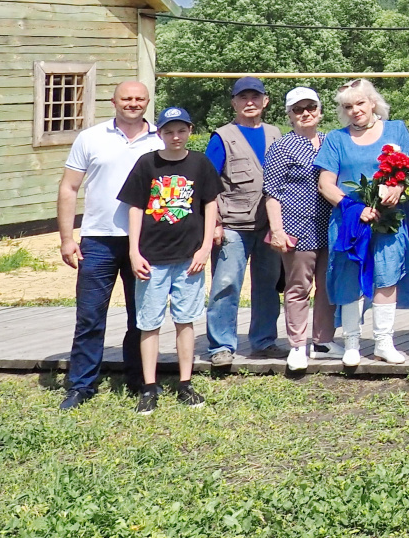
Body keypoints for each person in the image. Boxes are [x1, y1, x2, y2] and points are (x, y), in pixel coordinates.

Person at [56, 79, 161, 410]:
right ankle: (81, 384)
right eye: (126, 98)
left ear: (147, 102)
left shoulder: (160, 139)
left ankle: (138, 379)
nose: (133, 103)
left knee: (141, 314)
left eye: (139, 98)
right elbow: (69, 188)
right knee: (90, 315)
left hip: (144, 241)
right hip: (98, 239)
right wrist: (66, 238)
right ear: (113, 102)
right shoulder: (91, 138)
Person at [118, 106, 220, 413]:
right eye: (169, 131)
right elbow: (135, 208)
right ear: (159, 133)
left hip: (189, 258)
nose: (176, 136)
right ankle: (149, 387)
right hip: (152, 258)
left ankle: (185, 383)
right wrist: (134, 251)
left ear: (190, 131)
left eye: (181, 130)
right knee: (149, 323)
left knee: (184, 320)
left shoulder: (200, 163)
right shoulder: (147, 163)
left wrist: (204, 248)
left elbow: (210, 205)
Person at [316, 80, 409, 366]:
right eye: (348, 106)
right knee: (349, 277)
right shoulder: (336, 139)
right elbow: (326, 184)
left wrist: (398, 186)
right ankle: (352, 342)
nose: (355, 110)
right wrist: (354, 208)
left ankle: (383, 343)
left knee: (387, 275)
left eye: (360, 103)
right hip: (351, 221)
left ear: (373, 102)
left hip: (389, 219)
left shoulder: (396, 130)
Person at [203, 76, 282, 365]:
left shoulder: (276, 134)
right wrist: (214, 223)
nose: (250, 102)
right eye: (243, 98)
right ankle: (221, 346)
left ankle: (264, 341)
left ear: (265, 101)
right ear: (234, 103)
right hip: (232, 226)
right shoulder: (222, 137)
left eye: (255, 97)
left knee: (268, 286)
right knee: (226, 285)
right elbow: (207, 183)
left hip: (268, 226)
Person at [260, 87, 329, 371]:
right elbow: (272, 192)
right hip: (296, 228)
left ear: (320, 111)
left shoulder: (330, 141)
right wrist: (277, 230)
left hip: (329, 227)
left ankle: (323, 341)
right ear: (289, 115)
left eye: (311, 107)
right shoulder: (281, 147)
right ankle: (298, 345)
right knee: (299, 287)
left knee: (327, 286)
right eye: (298, 109)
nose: (306, 114)